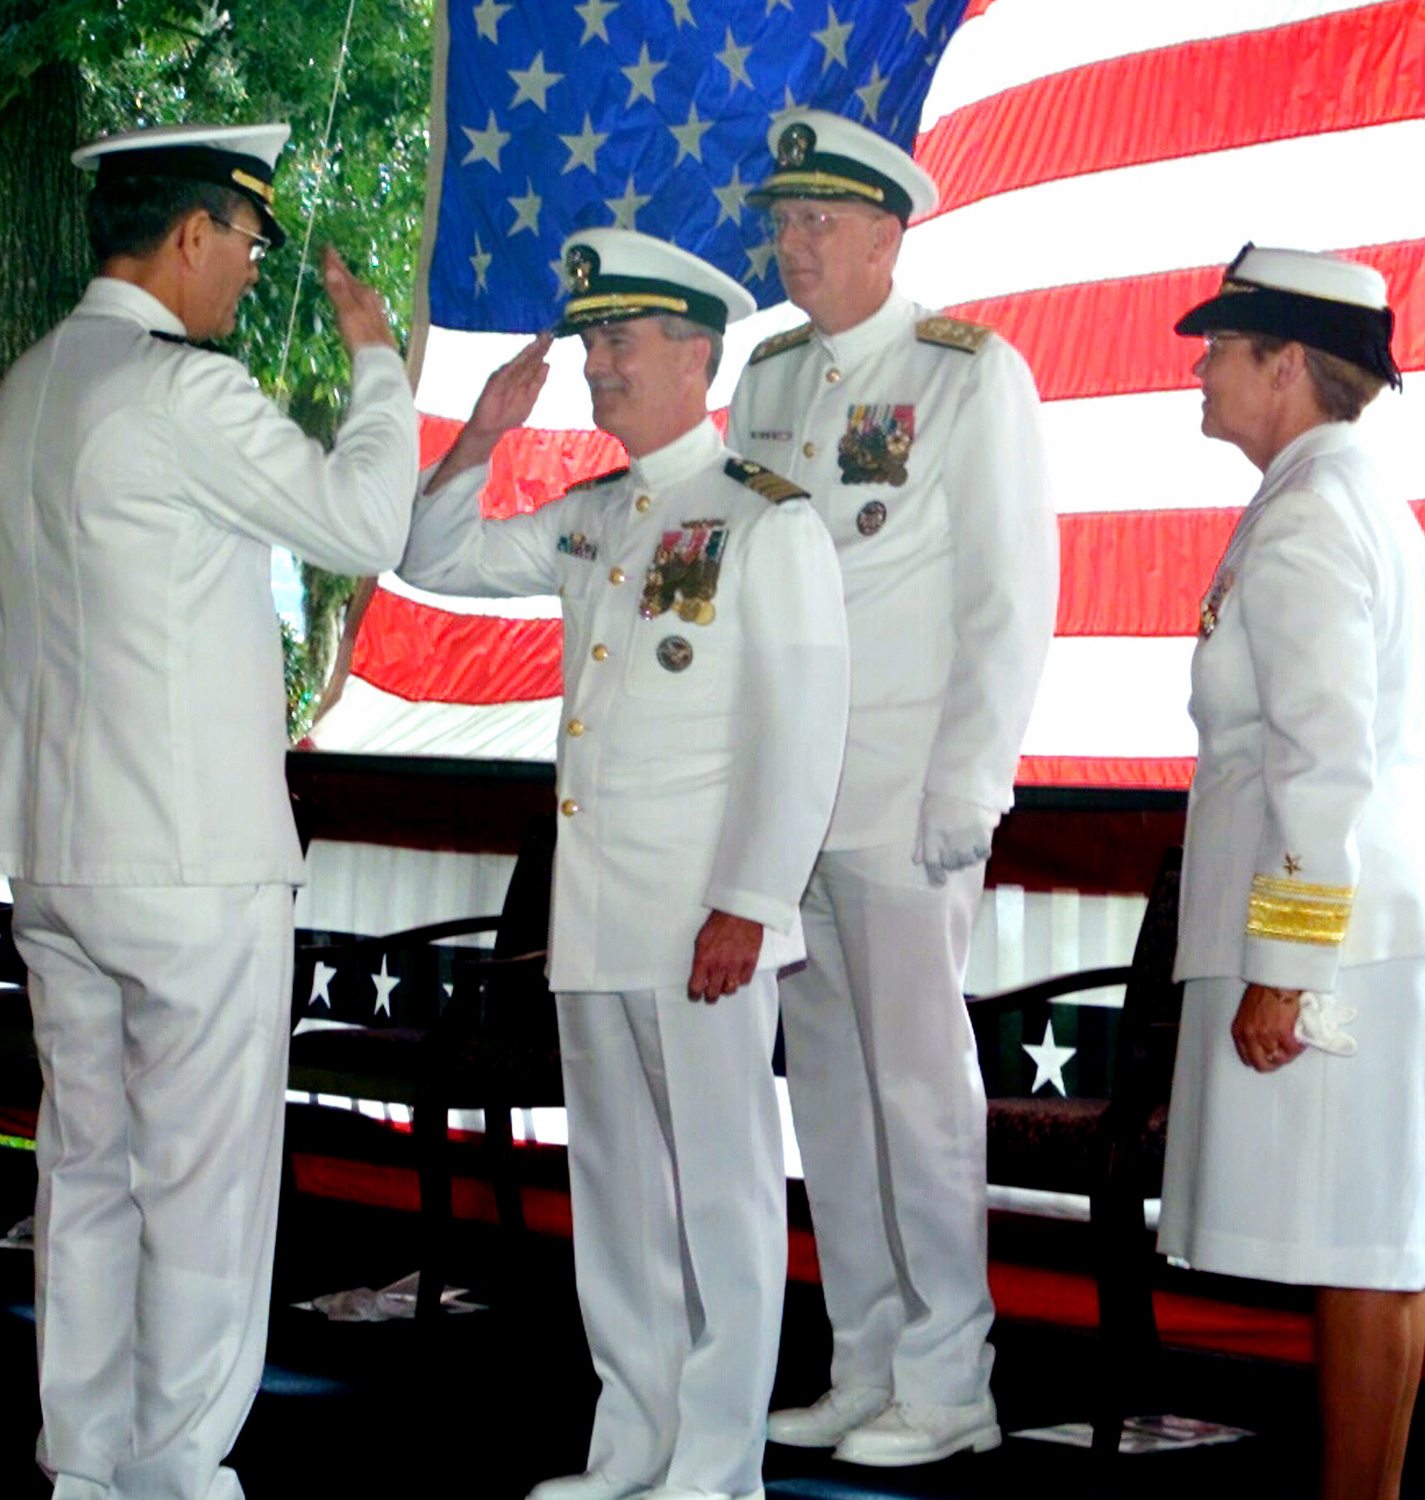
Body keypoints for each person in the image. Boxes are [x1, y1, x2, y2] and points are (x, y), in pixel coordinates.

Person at [0, 122, 419, 1499]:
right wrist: (379, 362)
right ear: (195, 234)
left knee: (89, 1177)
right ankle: (176, 1471)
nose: (247, 271)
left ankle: (89, 1465)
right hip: (189, 860)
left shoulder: (26, 391)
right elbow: (364, 523)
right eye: (247, 243)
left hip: (52, 852)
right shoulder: (183, 393)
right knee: (205, 1191)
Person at [402, 227, 851, 1500]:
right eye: (593, 339)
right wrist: (483, 433)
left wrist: (751, 903)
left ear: (697, 355)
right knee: (618, 1203)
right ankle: (634, 1446)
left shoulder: (766, 522)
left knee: (721, 1198)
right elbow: (432, 559)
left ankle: (716, 1466)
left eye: (621, 341)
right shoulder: (595, 518)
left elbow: (801, 729)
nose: (598, 364)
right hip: (599, 918)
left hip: (705, 917)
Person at [730, 109, 1059, 1465]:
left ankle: (950, 1378)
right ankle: (865, 1353)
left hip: (903, 795)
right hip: (788, 813)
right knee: (829, 1091)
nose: (792, 245)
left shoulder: (966, 377)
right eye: (782, 223)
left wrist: (970, 785)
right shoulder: (762, 382)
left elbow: (1007, 599)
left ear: (887, 232)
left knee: (922, 1093)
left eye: (818, 223)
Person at [1156, 245, 1425, 1500]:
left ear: (1286, 365)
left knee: (1363, 1246)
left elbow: (1320, 769)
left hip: (1340, 944)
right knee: (1372, 1245)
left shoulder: (1307, 523)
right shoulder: (1334, 497)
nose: (1201, 368)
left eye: (1223, 349)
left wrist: (1282, 966)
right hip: (1373, 931)